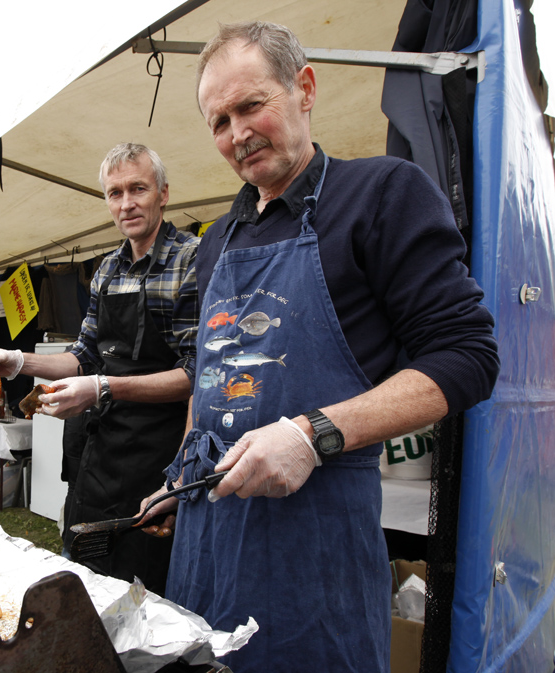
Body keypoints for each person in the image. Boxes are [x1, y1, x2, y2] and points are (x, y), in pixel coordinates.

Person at [135, 22, 500, 672]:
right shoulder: (214, 241)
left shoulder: (382, 195)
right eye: (219, 122)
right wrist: (179, 473)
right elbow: (208, 370)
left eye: (251, 105)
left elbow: (467, 355)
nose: (238, 134)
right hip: (206, 540)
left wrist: (311, 435)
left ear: (304, 88)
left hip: (314, 550)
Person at [0, 143, 199, 594]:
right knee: (83, 578)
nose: (126, 203)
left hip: (156, 455)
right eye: (115, 193)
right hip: (100, 453)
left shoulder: (191, 260)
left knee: (142, 591)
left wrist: (102, 388)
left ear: (163, 194)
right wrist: (17, 361)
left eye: (138, 189)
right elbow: (83, 356)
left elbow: (197, 374)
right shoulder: (107, 269)